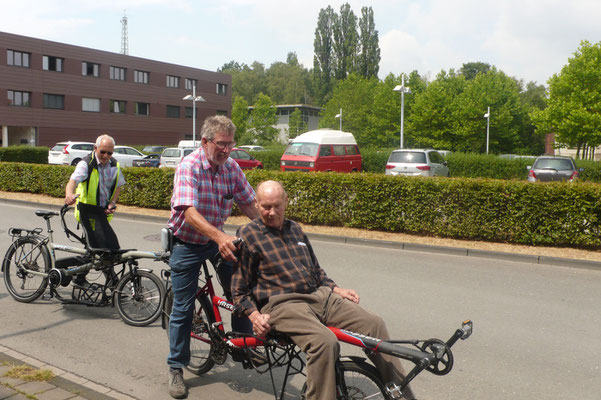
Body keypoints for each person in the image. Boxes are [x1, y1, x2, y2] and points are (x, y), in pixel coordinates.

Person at [232, 180, 417, 400]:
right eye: (265, 207)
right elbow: (239, 290)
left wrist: (336, 289)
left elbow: (316, 271)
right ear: (256, 203)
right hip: (282, 304)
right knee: (325, 342)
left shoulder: (295, 229)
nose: (271, 212)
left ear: (286, 202)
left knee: (374, 324)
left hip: (319, 296)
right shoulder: (248, 234)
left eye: (277, 206)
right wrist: (253, 316)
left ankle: (403, 395)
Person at [166, 115, 259, 399]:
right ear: (205, 141)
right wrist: (220, 237)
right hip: (187, 242)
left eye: (231, 144)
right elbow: (189, 212)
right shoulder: (189, 166)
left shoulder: (230, 168)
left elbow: (249, 204)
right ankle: (176, 368)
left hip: (217, 240)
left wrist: (272, 231)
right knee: (182, 307)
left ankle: (242, 345)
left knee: (242, 290)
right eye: (222, 144)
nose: (227, 150)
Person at [64, 134, 125, 287]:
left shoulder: (114, 165)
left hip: (101, 214)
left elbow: (118, 185)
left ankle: (78, 278)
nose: (106, 156)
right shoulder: (86, 164)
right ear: (95, 148)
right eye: (103, 151)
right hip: (87, 213)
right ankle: (113, 283)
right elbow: (73, 181)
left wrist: (112, 202)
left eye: (109, 153)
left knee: (94, 249)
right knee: (102, 247)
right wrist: (69, 195)